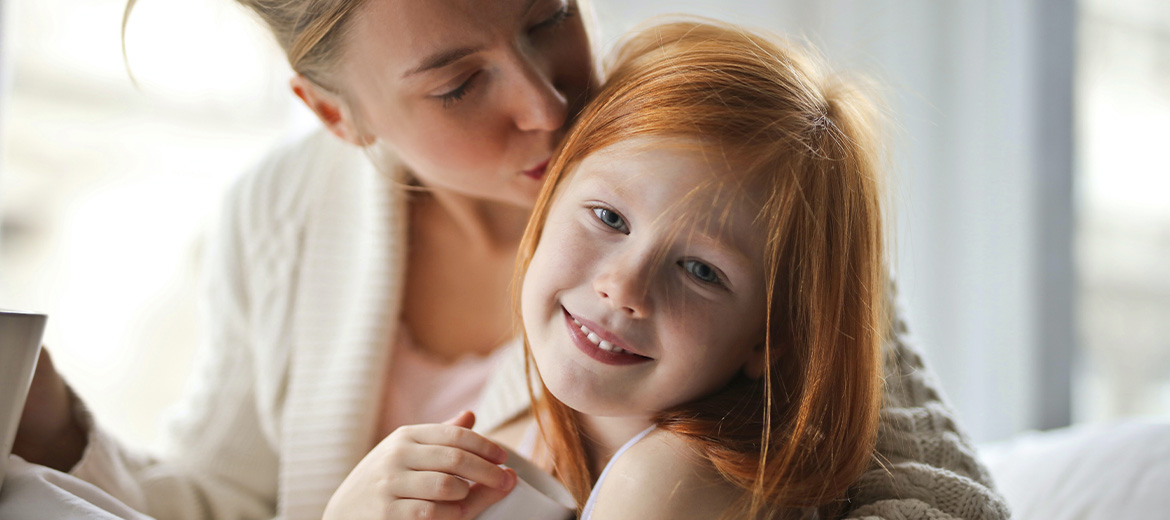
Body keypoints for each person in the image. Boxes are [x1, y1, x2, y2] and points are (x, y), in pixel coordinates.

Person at [11, 1, 1009, 519]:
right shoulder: (280, 213)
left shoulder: (721, 167)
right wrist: (50, 424)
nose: (546, 102)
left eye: (548, 16)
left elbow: (931, 493)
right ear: (333, 114)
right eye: (456, 84)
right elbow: (226, 502)